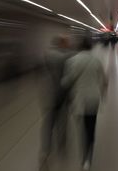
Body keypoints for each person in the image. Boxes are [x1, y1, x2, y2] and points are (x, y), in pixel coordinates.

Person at [61, 37, 107, 170]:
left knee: (82, 130)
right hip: (93, 99)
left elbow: (66, 82)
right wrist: (103, 96)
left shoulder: (71, 61)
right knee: (91, 128)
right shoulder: (97, 61)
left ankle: (84, 157)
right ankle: (88, 159)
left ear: (79, 47)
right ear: (91, 48)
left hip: (79, 100)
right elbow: (103, 82)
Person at [39, 35, 73, 169]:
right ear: (62, 44)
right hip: (62, 95)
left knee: (48, 124)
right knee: (62, 121)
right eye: (67, 43)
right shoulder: (65, 57)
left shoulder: (48, 55)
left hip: (49, 95)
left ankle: (45, 151)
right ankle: (62, 146)